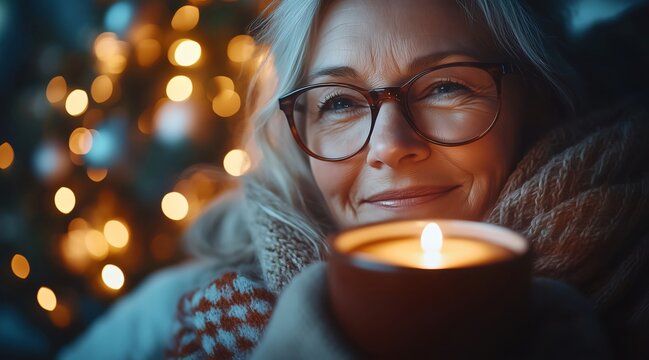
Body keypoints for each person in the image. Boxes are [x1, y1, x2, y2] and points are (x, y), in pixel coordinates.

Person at [59, 0, 649, 359]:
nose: (391, 147)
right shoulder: (179, 313)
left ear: (538, 102)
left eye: (446, 86)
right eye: (339, 102)